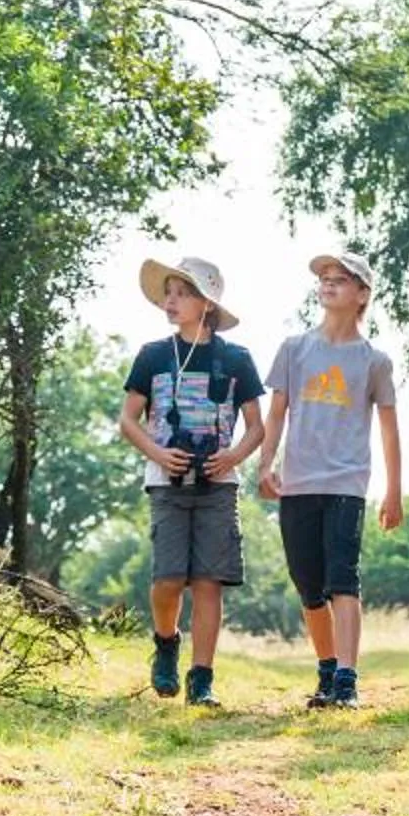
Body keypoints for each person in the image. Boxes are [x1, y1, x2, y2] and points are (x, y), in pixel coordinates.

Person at [253, 251, 404, 710]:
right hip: (298, 483)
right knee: (308, 582)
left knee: (343, 577)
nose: (329, 284)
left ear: (362, 294)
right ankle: (326, 667)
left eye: (341, 279)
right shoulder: (294, 349)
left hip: (346, 483)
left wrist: (393, 490)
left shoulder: (374, 360)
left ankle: (347, 679)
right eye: (324, 278)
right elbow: (276, 414)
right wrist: (264, 464)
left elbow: (389, 427)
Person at [117, 255, 264, 707]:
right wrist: (159, 454)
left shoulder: (236, 359)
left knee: (207, 582)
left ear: (207, 304)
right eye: (169, 293)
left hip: (219, 486)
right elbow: (128, 420)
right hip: (166, 483)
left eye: (183, 293)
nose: (171, 301)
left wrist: (233, 456)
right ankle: (166, 643)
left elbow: (257, 427)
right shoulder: (153, 356)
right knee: (167, 578)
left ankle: (202, 679)